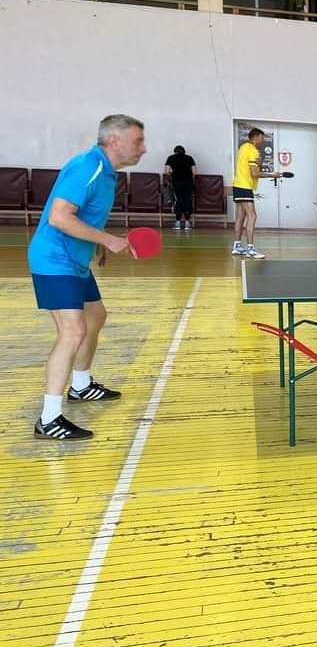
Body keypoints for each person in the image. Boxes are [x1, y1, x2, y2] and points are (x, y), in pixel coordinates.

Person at [27, 114, 144, 440]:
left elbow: (84, 216)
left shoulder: (107, 173)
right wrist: (108, 239)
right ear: (114, 141)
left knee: (96, 316)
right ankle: (49, 418)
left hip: (75, 260)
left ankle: (81, 386)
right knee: (72, 330)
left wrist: (97, 242)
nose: (143, 149)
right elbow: (59, 217)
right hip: (55, 260)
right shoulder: (87, 167)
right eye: (138, 141)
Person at [231, 127, 281, 259]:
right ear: (255, 138)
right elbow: (254, 174)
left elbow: (253, 169)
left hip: (237, 185)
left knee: (240, 216)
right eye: (261, 138)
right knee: (252, 216)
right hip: (244, 187)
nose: (263, 141)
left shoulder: (243, 148)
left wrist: (260, 164)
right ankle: (250, 249)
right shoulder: (253, 150)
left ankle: (237, 246)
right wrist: (272, 174)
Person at [164, 144, 197, 230]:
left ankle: (178, 223)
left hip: (176, 182)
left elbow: (166, 172)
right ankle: (187, 223)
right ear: (184, 152)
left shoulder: (171, 158)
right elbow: (194, 172)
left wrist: (172, 175)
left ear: (175, 152)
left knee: (178, 201)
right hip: (188, 182)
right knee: (187, 201)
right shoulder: (189, 158)